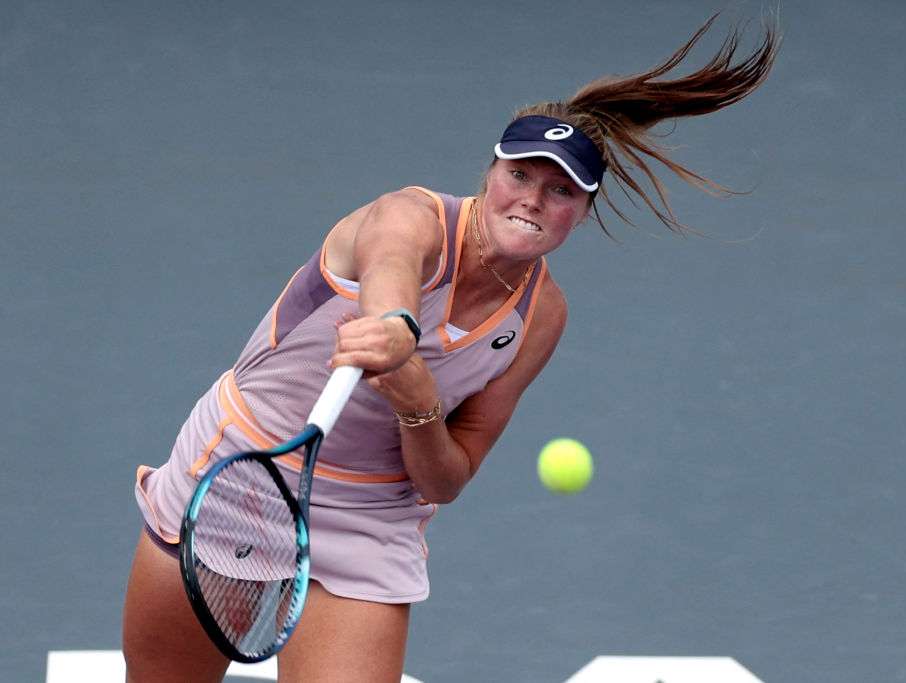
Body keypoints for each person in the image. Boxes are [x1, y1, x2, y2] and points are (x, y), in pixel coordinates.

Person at [121, 11, 779, 682]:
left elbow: (446, 477)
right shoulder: (409, 215)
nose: (532, 200)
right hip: (241, 471)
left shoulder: (541, 316)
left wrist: (419, 406)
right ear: (491, 171)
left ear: (584, 209)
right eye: (520, 176)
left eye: (559, 191)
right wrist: (395, 328)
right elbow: (389, 267)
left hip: (369, 515)